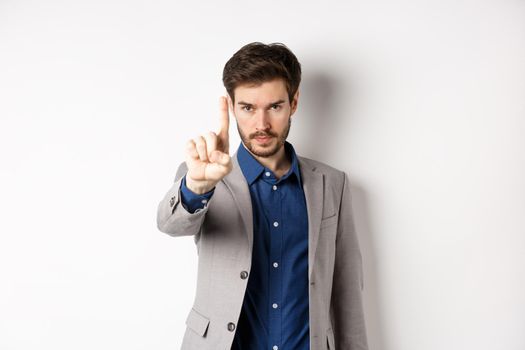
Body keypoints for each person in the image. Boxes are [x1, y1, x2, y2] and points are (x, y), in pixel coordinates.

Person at [156, 42, 368, 350]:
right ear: (232, 107)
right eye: (248, 108)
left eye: (274, 107)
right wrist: (197, 188)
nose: (262, 125)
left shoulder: (332, 183)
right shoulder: (206, 176)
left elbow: (347, 291)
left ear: (294, 102)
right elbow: (169, 224)